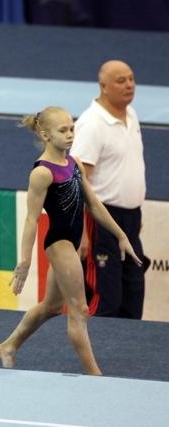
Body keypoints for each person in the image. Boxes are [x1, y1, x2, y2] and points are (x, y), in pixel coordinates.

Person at [0, 106, 140, 375]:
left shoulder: (75, 163)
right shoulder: (42, 172)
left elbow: (93, 205)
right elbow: (31, 219)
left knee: (51, 306)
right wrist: (25, 261)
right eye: (63, 131)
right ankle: (95, 375)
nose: (71, 134)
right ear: (46, 135)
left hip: (71, 241)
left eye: (72, 128)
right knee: (79, 309)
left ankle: (9, 346)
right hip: (59, 242)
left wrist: (121, 234)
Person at [73, 60, 147, 319]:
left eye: (131, 78)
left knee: (134, 293)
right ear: (103, 87)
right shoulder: (92, 124)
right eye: (120, 81)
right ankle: (94, 345)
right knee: (106, 298)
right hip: (101, 220)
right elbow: (77, 180)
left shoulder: (131, 114)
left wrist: (134, 212)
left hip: (130, 218)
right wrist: (82, 232)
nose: (129, 85)